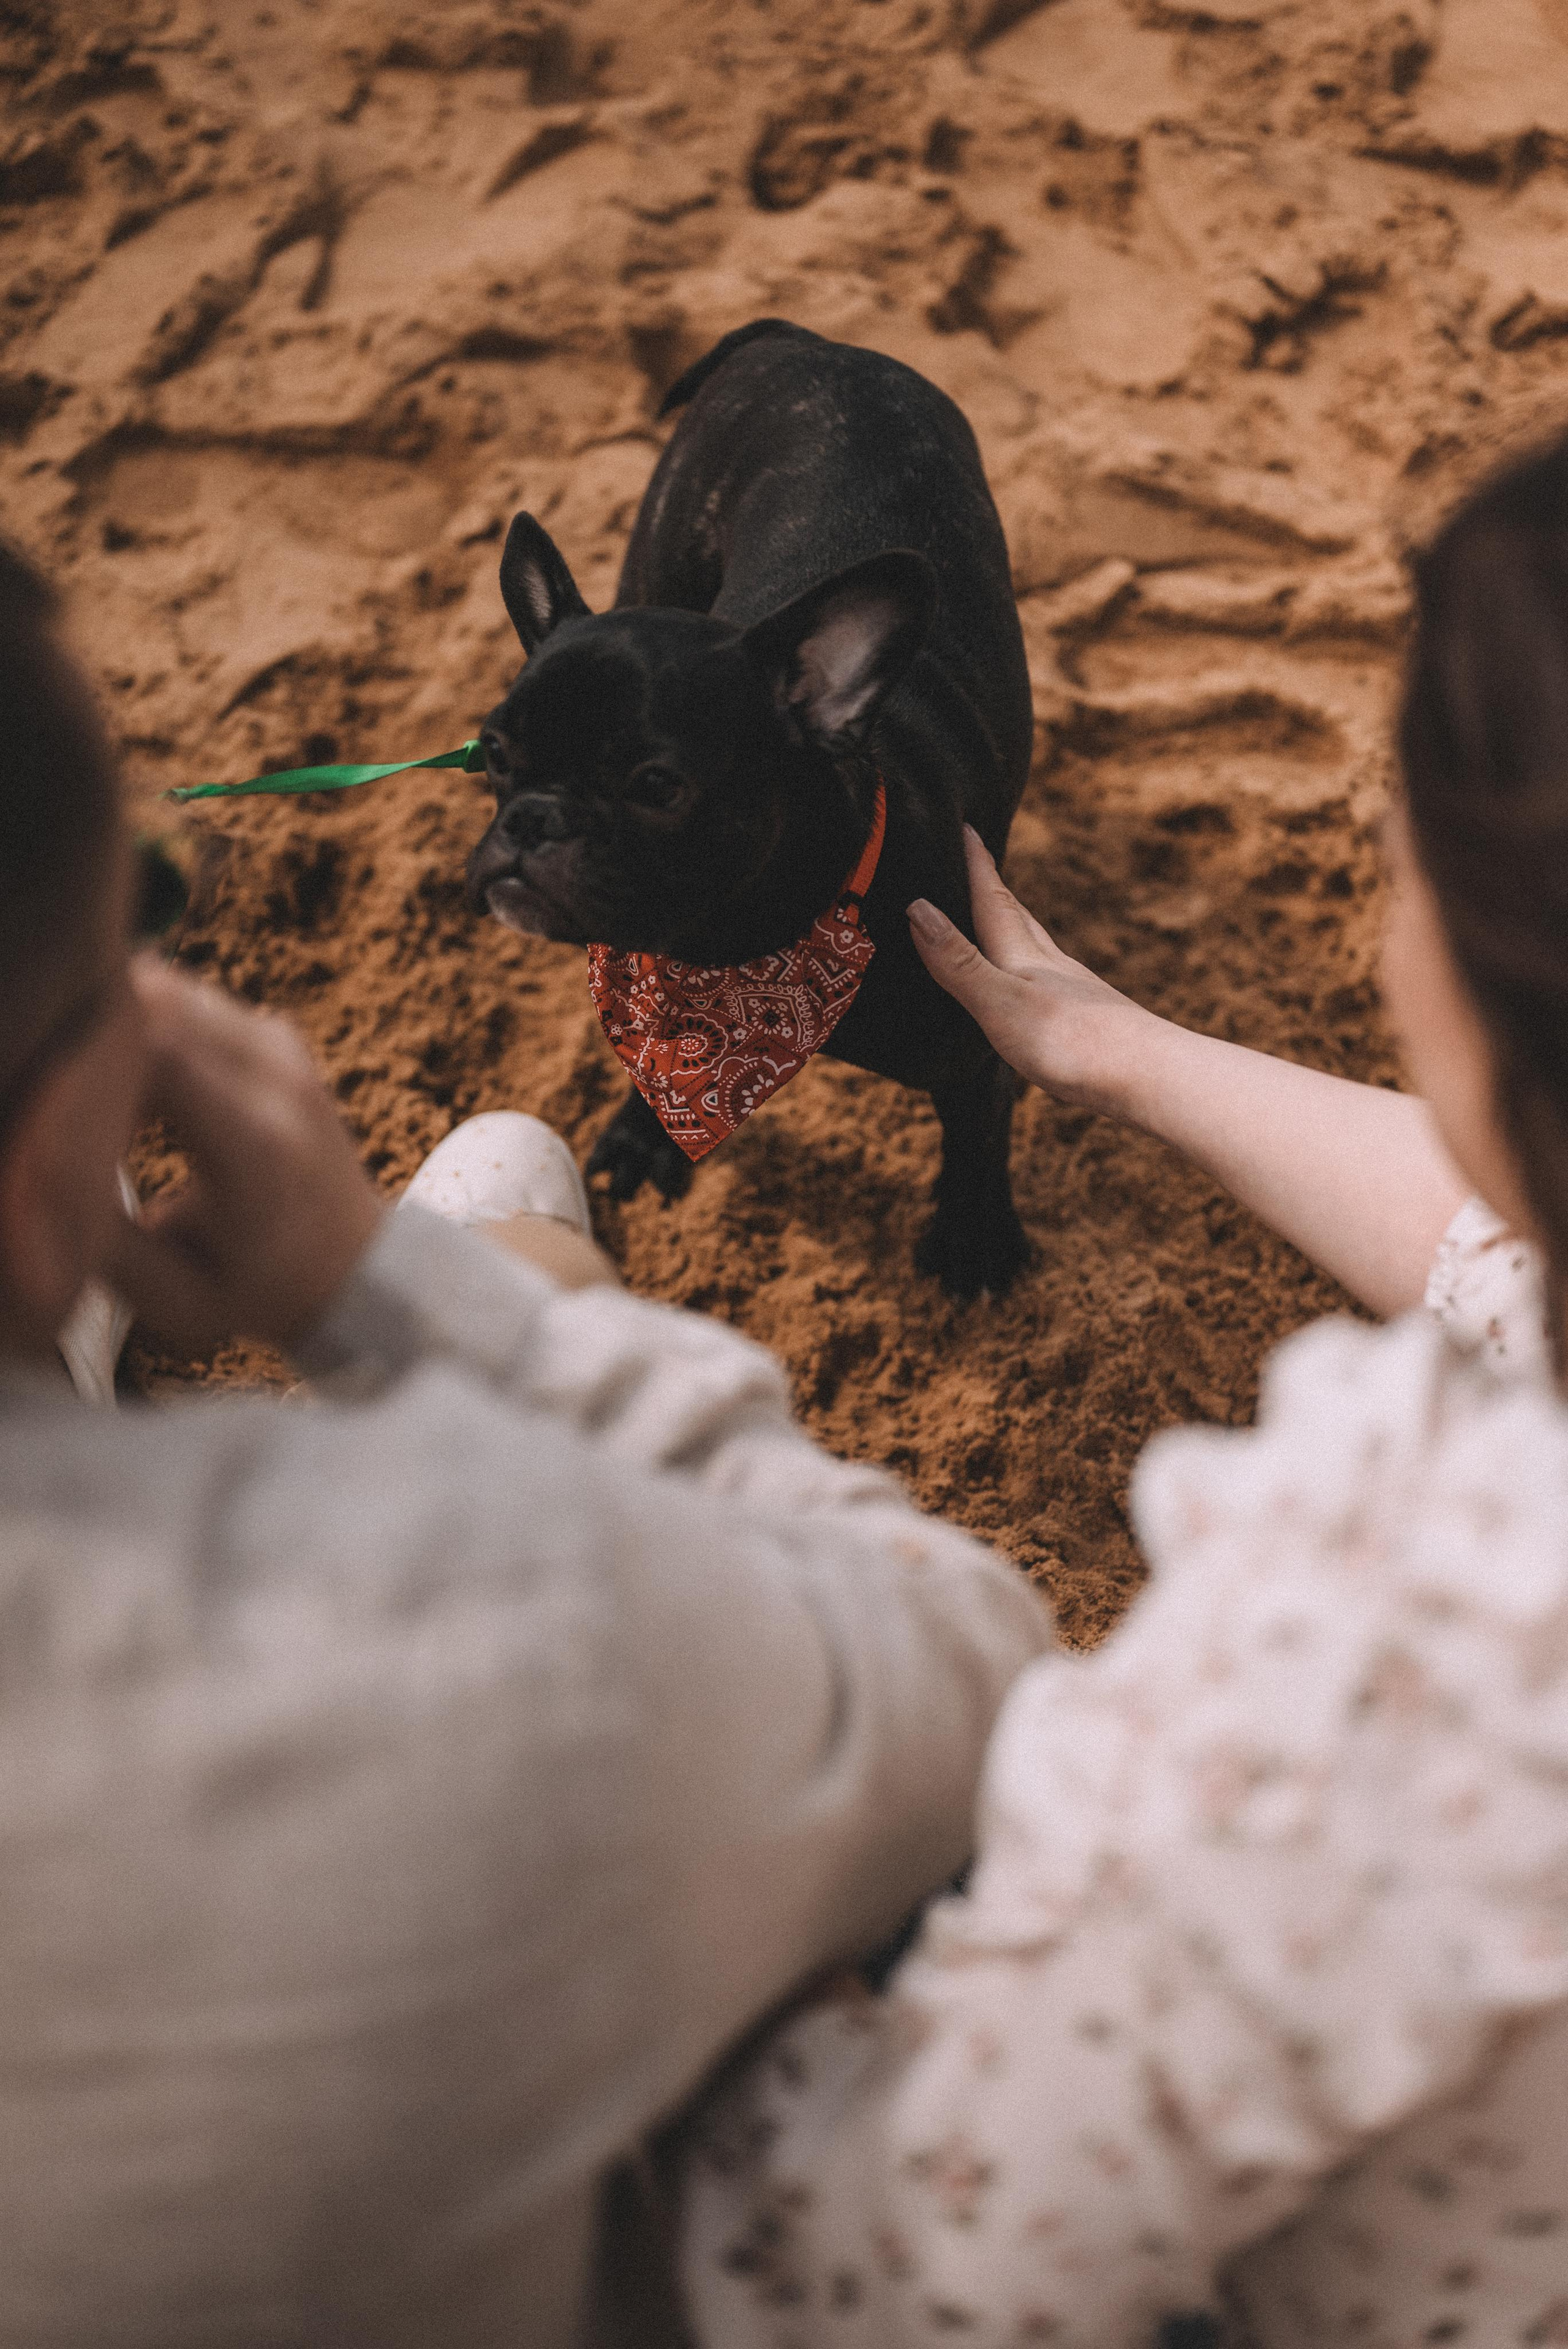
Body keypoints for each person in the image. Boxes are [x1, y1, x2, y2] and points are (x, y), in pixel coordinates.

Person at [0, 541, 1050, 2346]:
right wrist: (393, 1286)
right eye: (140, 920)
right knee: (501, 1170)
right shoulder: (488, 1613)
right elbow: (970, 1660)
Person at [674, 436, 1568, 2345]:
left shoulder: (1401, 1644)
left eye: (1392, 853)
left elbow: (912, 2262)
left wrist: (609, 1407)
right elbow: (1516, 1271)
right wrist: (1125, 1051)